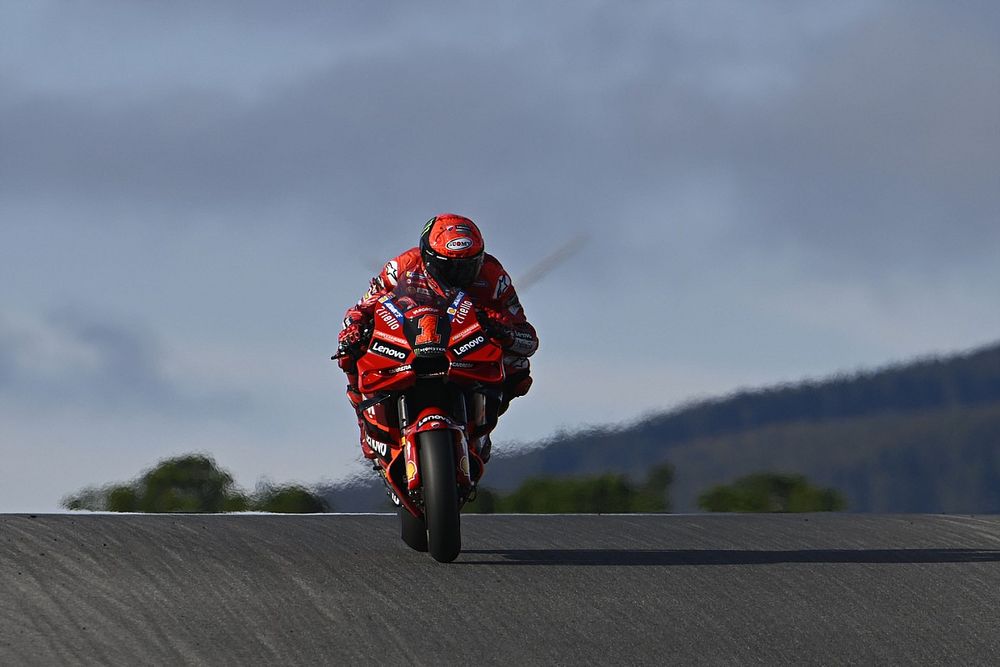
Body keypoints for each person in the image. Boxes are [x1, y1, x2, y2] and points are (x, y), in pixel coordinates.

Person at [337, 213, 538, 463]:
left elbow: (528, 339)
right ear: (429, 257)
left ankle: (480, 430)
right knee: (349, 352)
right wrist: (353, 329)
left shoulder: (494, 277)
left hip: (465, 346)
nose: (459, 275)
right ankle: (367, 424)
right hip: (412, 338)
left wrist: (504, 332)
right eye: (449, 266)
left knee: (519, 368)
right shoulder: (401, 267)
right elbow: (360, 308)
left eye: (468, 265)